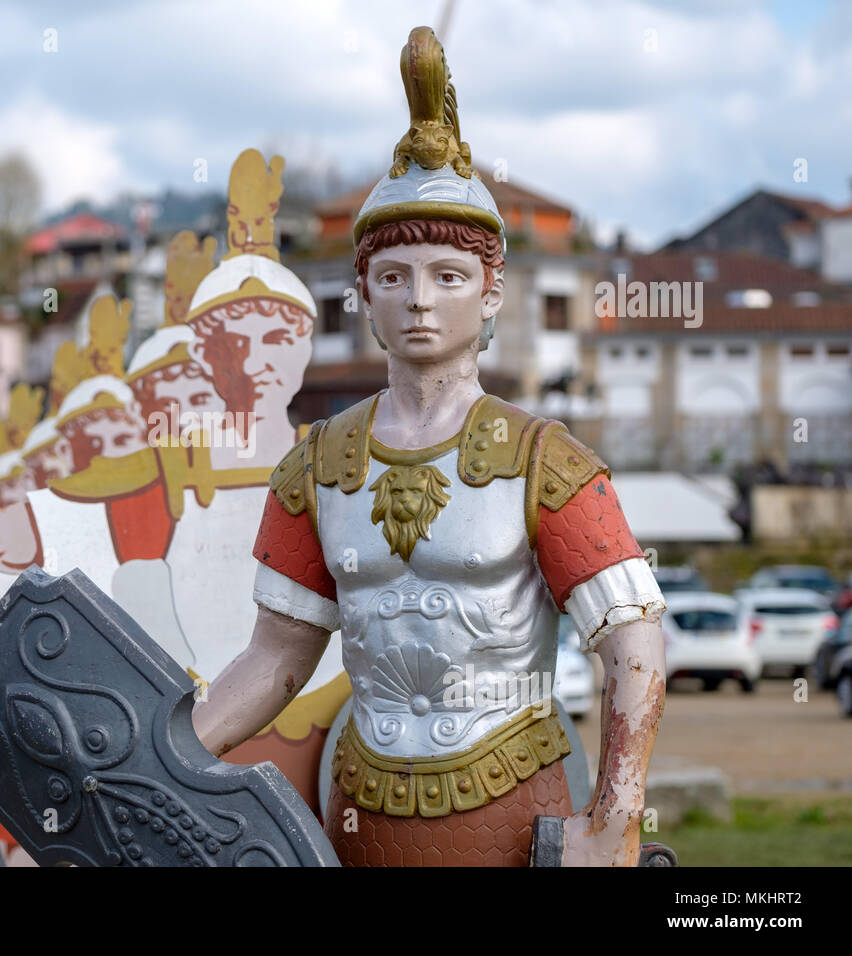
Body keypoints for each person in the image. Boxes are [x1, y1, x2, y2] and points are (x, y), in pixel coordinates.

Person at [190, 26, 667, 867]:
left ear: (490, 296)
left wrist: (616, 820)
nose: (419, 301)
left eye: (448, 277)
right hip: (362, 807)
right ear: (363, 297)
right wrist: (169, 754)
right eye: (393, 277)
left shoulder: (542, 463)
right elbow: (275, 659)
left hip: (513, 806)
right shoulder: (314, 468)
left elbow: (633, 645)